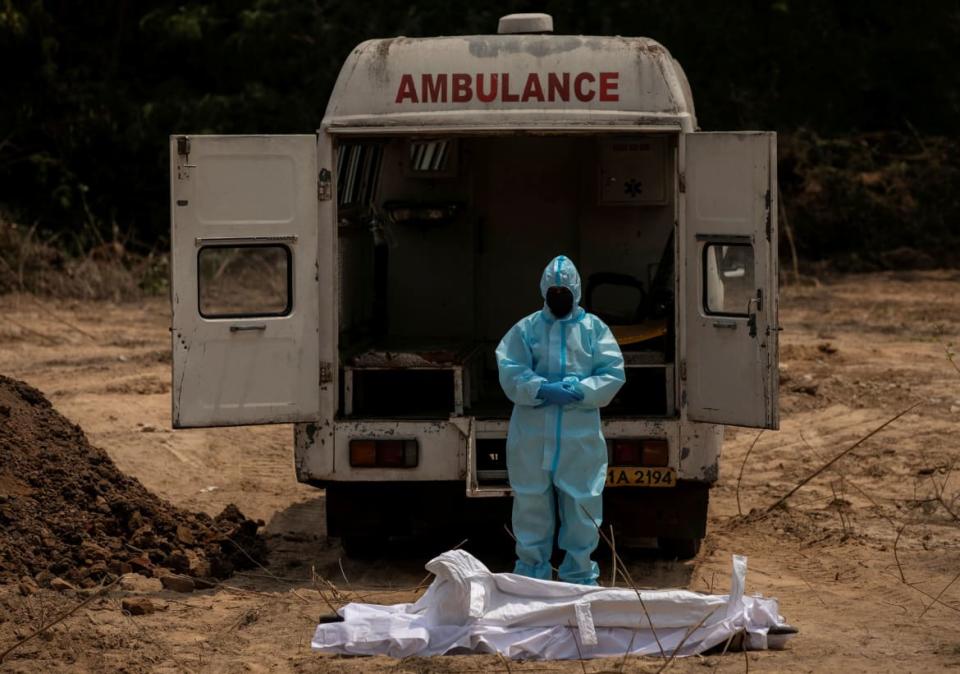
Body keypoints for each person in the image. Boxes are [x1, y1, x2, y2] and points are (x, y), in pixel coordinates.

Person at [496, 255, 625, 585]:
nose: (558, 295)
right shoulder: (526, 330)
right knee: (530, 503)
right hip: (532, 436)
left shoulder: (594, 330)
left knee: (582, 503)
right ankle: (530, 575)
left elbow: (612, 373)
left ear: (576, 290)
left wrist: (582, 390)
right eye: (553, 290)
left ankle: (580, 575)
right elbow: (510, 369)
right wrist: (541, 388)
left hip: (577, 438)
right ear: (543, 290)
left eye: (563, 289)